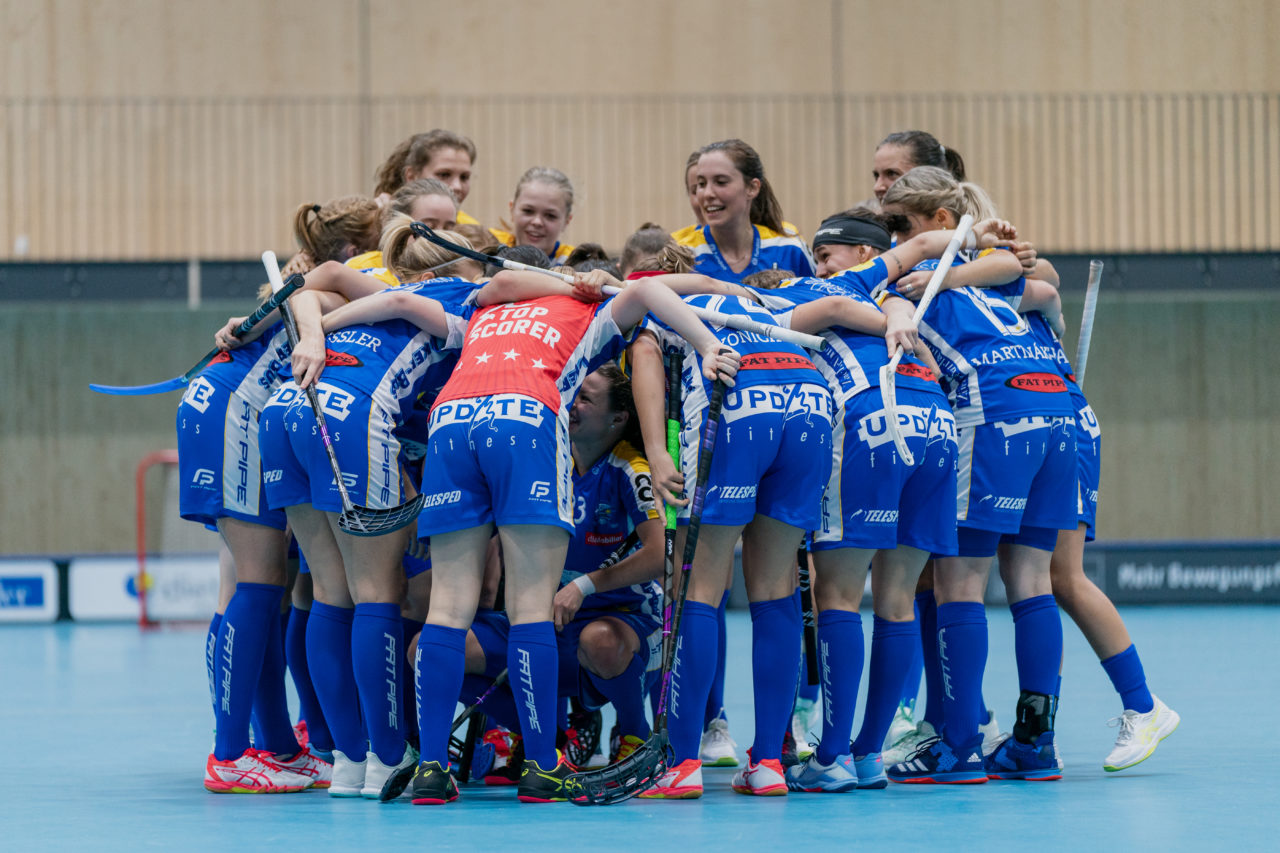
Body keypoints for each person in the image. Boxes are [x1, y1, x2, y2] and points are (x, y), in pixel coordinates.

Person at [376, 266, 738, 805]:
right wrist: (707, 342)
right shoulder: (587, 307)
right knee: (529, 607)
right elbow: (643, 289)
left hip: (450, 420)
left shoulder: (487, 306)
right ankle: (543, 766)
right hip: (524, 417)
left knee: (446, 610)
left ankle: (431, 767)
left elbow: (404, 298)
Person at [251, 219, 486, 798]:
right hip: (351, 419)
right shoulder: (458, 298)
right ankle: (385, 758)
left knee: (330, 589)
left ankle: (347, 762)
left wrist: (307, 335)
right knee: (377, 592)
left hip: (284, 410)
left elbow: (306, 284)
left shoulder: (379, 290)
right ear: (450, 269)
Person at [875, 166, 1076, 785]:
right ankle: (1034, 743)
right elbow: (1039, 279)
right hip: (1060, 417)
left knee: (959, 585)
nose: (892, 242)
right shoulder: (1001, 278)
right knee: (1033, 584)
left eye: (899, 228)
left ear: (940, 224)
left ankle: (958, 746)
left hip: (992, 420)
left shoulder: (917, 284)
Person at [627, 273, 833, 799]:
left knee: (701, 586)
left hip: (739, 405)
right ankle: (768, 762)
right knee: (775, 588)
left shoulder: (662, 305)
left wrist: (656, 451)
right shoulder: (751, 301)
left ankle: (683, 763)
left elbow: (647, 356)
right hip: (811, 407)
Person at [184, 274, 332, 794]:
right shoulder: (348, 280)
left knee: (268, 593)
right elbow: (306, 288)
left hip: (240, 410)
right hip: (237, 412)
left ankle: (277, 747)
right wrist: (310, 334)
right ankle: (229, 755)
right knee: (259, 585)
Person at [1021, 308, 1181, 772]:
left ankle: (1145, 706)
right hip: (1033, 416)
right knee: (1037, 581)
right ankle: (1037, 731)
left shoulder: (988, 270)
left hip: (1060, 418)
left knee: (1060, 576)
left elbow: (1046, 284)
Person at [675, 139, 815, 283]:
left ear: (752, 188)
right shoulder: (682, 255)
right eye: (701, 184)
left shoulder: (789, 247)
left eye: (721, 182)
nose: (707, 194)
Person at [373, 129, 482, 225]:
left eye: (464, 177)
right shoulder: (373, 223)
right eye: (444, 174)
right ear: (411, 176)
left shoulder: (472, 229)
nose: (457, 186)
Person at [489, 167, 577, 265]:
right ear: (512, 209)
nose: (537, 222)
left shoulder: (576, 261)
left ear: (567, 221)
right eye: (528, 211)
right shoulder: (488, 246)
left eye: (550, 216)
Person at [872, 129, 966, 203]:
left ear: (929, 178)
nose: (877, 187)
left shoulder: (968, 226)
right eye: (876, 176)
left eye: (892, 174)